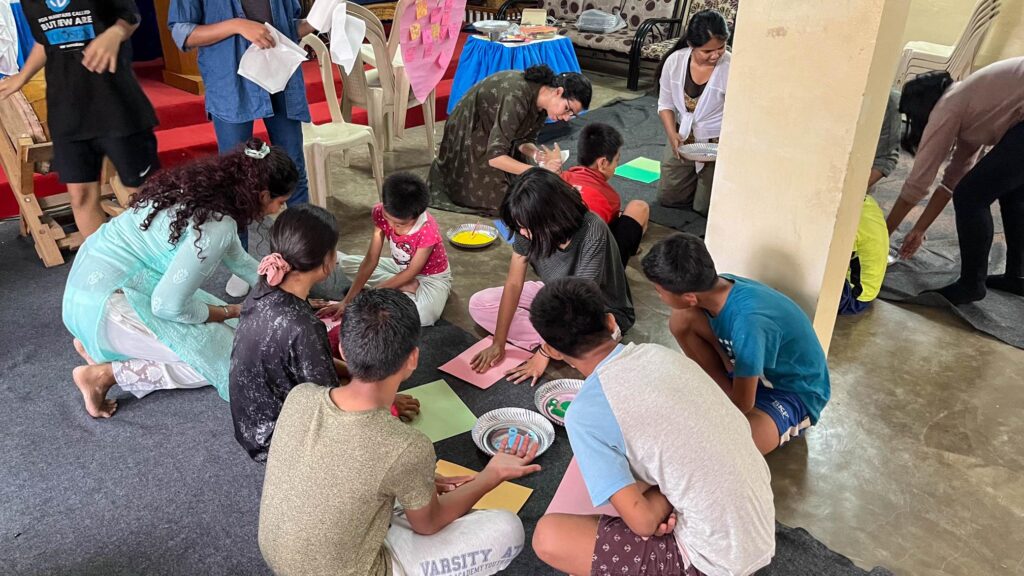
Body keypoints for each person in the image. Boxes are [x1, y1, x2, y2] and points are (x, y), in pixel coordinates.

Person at [258, 289, 540, 576]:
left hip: (278, 556)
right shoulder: (406, 445)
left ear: (342, 349)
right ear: (413, 359)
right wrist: (493, 475)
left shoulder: (301, 395)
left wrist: (416, 482)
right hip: (350, 570)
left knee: (399, 486)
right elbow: (429, 524)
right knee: (508, 529)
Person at [529, 278, 775, 576]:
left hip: (711, 562)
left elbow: (643, 522)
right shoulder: (661, 354)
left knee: (549, 536)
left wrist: (663, 499)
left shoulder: (583, 414)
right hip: (759, 533)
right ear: (610, 322)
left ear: (552, 350)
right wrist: (675, 491)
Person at [63, 139, 295, 419]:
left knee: (238, 332)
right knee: (235, 362)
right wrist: (230, 310)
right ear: (262, 194)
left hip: (86, 290)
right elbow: (168, 307)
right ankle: (104, 374)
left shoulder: (203, 191)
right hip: (106, 306)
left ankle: (105, 347)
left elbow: (240, 260)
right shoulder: (217, 226)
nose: (277, 211)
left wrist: (291, 291)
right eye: (279, 202)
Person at [168, 0, 315, 298]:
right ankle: (241, 262)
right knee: (234, 180)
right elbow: (183, 33)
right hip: (230, 81)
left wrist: (317, 21)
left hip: (281, 75)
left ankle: (303, 254)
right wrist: (237, 25)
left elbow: (291, 26)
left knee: (295, 169)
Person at [641, 233, 831, 455]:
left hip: (793, 392)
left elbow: (743, 404)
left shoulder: (748, 322)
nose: (659, 296)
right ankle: (722, 392)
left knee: (728, 448)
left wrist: (702, 418)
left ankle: (740, 411)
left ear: (690, 296)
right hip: (754, 376)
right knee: (682, 319)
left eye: (659, 291)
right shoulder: (720, 284)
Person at [0, 0, 158, 238]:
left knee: (141, 193)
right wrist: (22, 77)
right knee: (80, 195)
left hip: (117, 107)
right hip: (67, 111)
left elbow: (131, 16)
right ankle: (102, 269)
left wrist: (115, 32)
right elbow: (45, 42)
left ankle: (161, 261)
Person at [468, 168, 635, 386]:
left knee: (592, 357)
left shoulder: (593, 230)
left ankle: (559, 348)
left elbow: (579, 306)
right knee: (479, 304)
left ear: (551, 215)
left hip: (597, 312)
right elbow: (514, 283)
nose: (523, 233)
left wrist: (543, 353)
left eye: (526, 228)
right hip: (554, 295)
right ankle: (563, 349)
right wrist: (498, 342)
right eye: (519, 227)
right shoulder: (527, 226)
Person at [886, 58, 1024, 305]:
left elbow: (918, 183)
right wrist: (919, 229)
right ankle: (1017, 276)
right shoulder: (973, 105)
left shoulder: (948, 106)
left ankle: (971, 285)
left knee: (972, 196)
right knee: (1012, 193)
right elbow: (953, 179)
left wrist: (882, 236)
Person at [429, 64, 592, 213]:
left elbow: (524, 139)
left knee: (527, 189)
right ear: (558, 91)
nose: (565, 118)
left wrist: (538, 155)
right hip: (469, 135)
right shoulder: (517, 96)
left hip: (493, 134)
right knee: (512, 201)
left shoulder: (544, 102)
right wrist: (540, 171)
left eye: (572, 114)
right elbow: (495, 158)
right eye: (567, 109)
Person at [320, 173, 452, 327]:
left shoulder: (427, 230)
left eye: (399, 225)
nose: (390, 226)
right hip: (401, 267)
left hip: (431, 277)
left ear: (416, 216)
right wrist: (346, 301)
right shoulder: (379, 212)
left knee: (425, 315)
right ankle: (404, 287)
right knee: (347, 263)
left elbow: (412, 271)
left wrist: (370, 294)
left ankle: (402, 286)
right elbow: (371, 259)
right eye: (387, 218)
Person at [654, 10, 731, 216]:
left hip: (716, 141)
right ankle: (691, 181)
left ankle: (706, 183)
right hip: (684, 133)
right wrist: (672, 134)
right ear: (691, 45)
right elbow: (665, 104)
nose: (716, 55)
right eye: (707, 51)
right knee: (667, 197)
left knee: (704, 208)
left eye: (721, 48)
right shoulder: (675, 61)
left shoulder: (730, 67)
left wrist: (721, 146)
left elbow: (737, 115)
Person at [841, 90, 900, 315]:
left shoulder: (847, 222)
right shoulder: (865, 204)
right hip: (858, 284)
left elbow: (828, 264)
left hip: (855, 295)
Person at [561, 122, 649, 266]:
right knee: (639, 207)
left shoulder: (560, 178)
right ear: (602, 163)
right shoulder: (609, 197)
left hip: (551, 262)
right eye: (616, 160)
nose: (616, 166)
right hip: (590, 270)